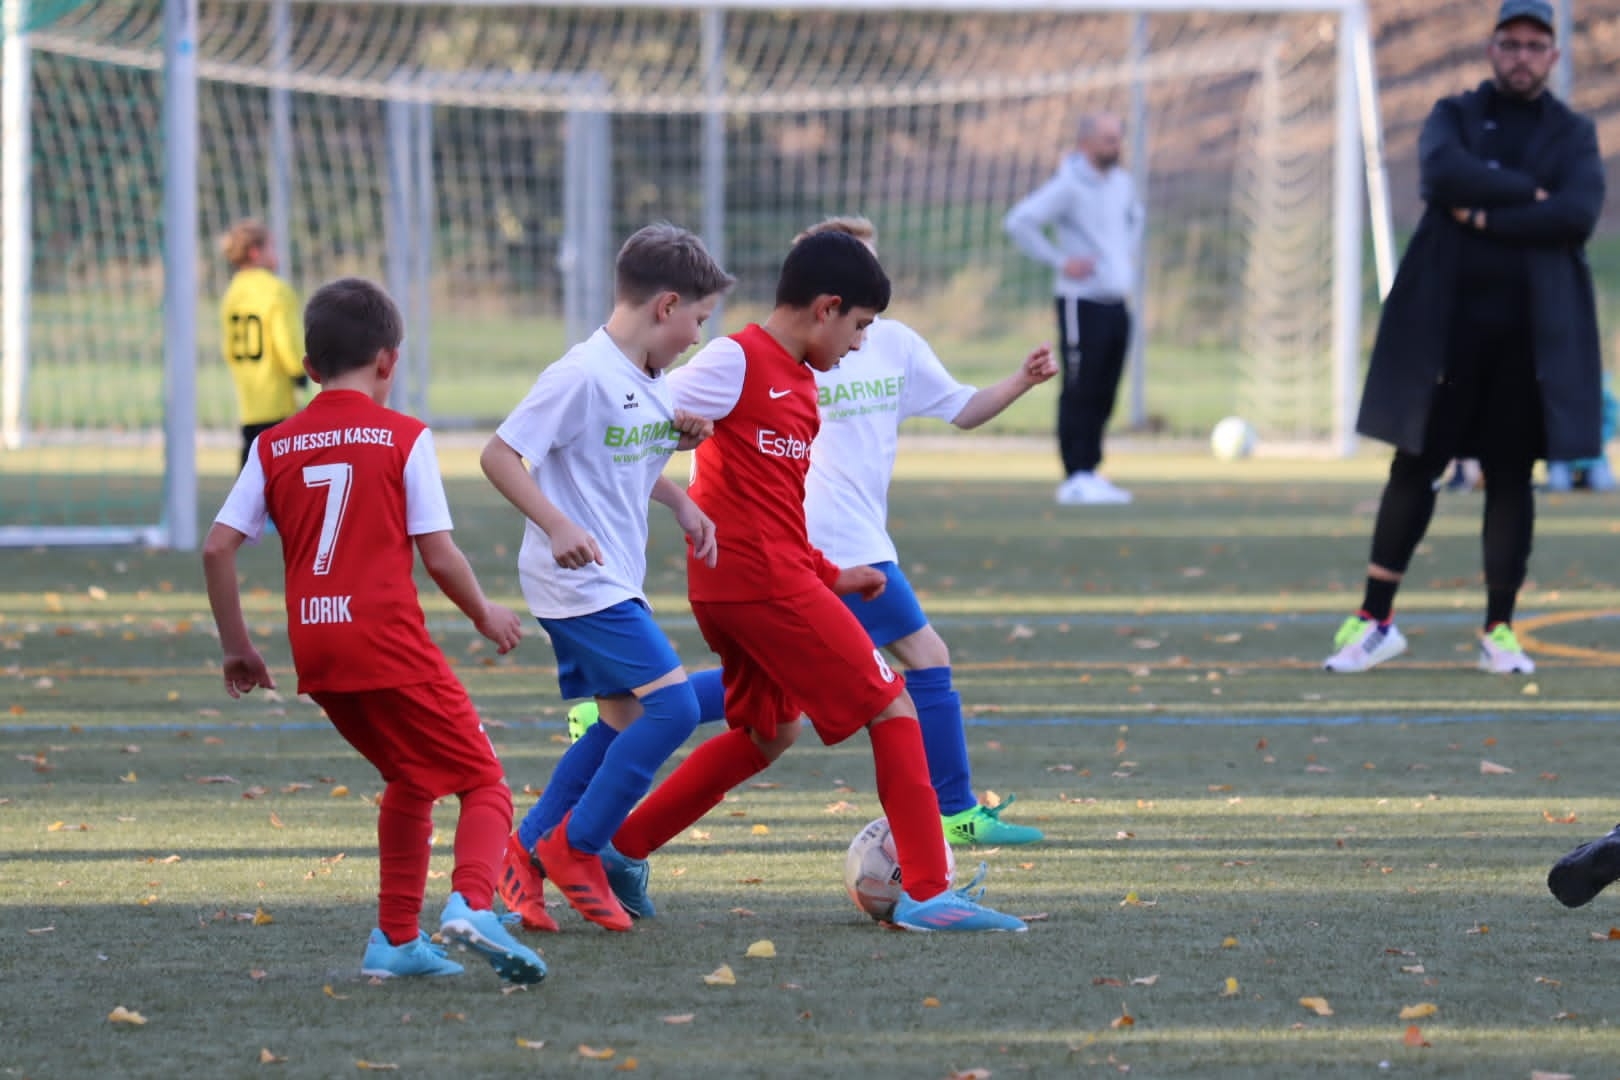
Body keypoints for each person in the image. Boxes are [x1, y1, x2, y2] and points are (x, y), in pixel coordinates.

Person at [568, 216, 1057, 848]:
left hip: (831, 552)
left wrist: (1020, 381)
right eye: (858, 315)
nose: (861, 335)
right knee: (906, 679)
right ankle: (947, 834)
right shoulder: (755, 356)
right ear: (828, 302)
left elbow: (961, 408)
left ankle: (614, 831)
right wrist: (678, 440)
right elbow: (652, 408)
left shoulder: (885, 346)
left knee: (775, 723)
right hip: (795, 553)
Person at [201, 277, 547, 985]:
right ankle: (473, 904)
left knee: (410, 778)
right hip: (385, 642)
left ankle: (394, 939)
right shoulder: (404, 437)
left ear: (309, 367)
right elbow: (439, 554)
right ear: (389, 361)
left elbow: (217, 547)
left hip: (318, 650)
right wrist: (485, 614)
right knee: (484, 781)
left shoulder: (272, 445)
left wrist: (238, 647)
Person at [1323, 0, 1605, 676]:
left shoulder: (1573, 133)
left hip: (1529, 340)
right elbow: (1441, 175)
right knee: (1415, 466)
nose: (1521, 56)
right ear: (1491, 49)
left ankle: (1499, 631)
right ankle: (1375, 619)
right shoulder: (1454, 114)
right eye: (1510, 43)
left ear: (1553, 56)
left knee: (1511, 476)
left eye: (1535, 45)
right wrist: (1529, 195)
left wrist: (1481, 215)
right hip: (1445, 332)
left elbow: (1576, 214)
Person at [480, 224, 733, 933]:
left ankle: (524, 854)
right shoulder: (581, 374)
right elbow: (499, 456)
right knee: (672, 709)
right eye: (698, 321)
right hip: (577, 581)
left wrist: (680, 496)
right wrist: (556, 524)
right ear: (665, 306)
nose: (697, 338)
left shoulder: (648, 379)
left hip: (614, 576)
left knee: (623, 720)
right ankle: (578, 847)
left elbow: (618, 461)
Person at [1005, 112, 1144, 506]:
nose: (1115, 146)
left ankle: (1091, 470)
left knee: (1105, 390)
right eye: (1107, 139)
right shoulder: (1068, 185)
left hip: (1117, 302)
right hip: (1081, 303)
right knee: (1080, 387)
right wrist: (1061, 260)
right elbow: (1020, 222)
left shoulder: (1122, 184)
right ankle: (1074, 474)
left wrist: (1121, 261)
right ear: (1086, 143)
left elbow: (1135, 220)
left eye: (1118, 138)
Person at [219, 219, 308, 469]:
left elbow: (229, 347)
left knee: (251, 472)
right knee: (283, 475)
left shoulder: (232, 293)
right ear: (255, 252)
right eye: (272, 246)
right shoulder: (276, 290)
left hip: (249, 401)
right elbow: (286, 341)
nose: (276, 253)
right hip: (278, 401)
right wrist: (299, 372)